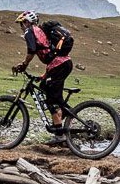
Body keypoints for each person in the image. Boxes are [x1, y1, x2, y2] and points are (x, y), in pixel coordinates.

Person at [11, 10, 74, 145]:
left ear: (26, 22)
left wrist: (24, 65)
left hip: (60, 65)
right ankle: (65, 120)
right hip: (62, 64)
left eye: (21, 24)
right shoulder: (40, 32)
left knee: (52, 99)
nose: (21, 27)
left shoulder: (30, 31)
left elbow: (32, 50)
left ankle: (60, 135)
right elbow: (51, 55)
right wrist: (45, 75)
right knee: (44, 86)